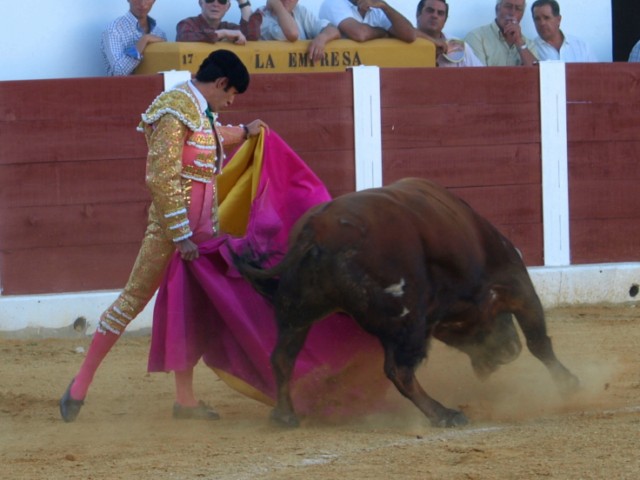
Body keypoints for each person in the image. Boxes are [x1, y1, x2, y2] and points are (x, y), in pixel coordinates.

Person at [60, 50, 269, 422]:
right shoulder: (174, 108)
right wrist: (180, 234)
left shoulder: (199, 110)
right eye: (231, 94)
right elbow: (161, 176)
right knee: (133, 299)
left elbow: (210, 136)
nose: (231, 101)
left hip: (202, 230)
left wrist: (244, 132)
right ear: (220, 83)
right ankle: (79, 385)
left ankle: (185, 401)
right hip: (172, 233)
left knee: (188, 307)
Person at [246, 0, 341, 62]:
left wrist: (321, 39)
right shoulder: (260, 18)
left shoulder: (300, 10)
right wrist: (278, 6)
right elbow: (292, 34)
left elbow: (333, 30)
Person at [102, 0, 167, 76]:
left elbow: (165, 71)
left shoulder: (159, 33)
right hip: (124, 87)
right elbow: (118, 72)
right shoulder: (114, 29)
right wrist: (143, 41)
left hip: (154, 87)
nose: (142, 3)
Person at [465, 0, 538, 66]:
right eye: (508, 6)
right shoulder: (476, 38)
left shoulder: (528, 44)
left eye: (518, 9)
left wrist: (519, 42)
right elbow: (477, 76)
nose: (512, 13)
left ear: (522, 15)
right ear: (497, 9)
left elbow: (537, 74)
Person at [415, 0, 483, 67]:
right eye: (430, 10)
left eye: (440, 13)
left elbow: (481, 74)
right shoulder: (406, 44)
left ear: (445, 20)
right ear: (418, 14)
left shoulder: (459, 47)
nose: (435, 15)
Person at [319, 0, 416, 43]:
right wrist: (383, 32)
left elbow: (410, 35)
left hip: (372, 71)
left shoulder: (377, 8)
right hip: (342, 72)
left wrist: (385, 7)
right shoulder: (333, 3)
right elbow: (360, 34)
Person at [531, 0, 597, 62]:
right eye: (537, 19)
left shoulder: (581, 47)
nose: (542, 23)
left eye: (546, 18)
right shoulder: (531, 50)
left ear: (558, 20)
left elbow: (595, 72)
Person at [176, 0, 253, 44]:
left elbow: (251, 36)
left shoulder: (229, 27)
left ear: (228, 7)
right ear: (200, 3)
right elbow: (185, 37)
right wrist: (223, 33)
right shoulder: (187, 24)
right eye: (210, 0)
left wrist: (243, 3)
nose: (215, 4)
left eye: (222, 1)